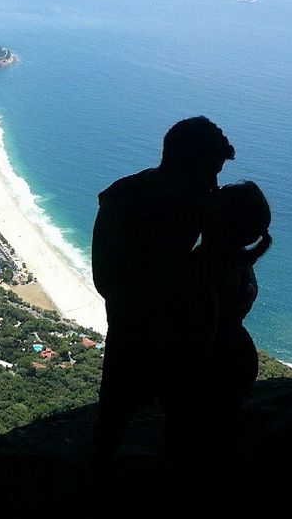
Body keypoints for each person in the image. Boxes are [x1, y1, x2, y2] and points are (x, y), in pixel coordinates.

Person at [91, 116, 235, 462]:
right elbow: (107, 280)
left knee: (127, 421)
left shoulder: (139, 198)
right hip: (139, 333)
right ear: (184, 167)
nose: (215, 185)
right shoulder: (125, 201)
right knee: (122, 421)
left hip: (148, 330)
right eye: (210, 173)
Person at [193, 181, 272, 455]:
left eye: (216, 199)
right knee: (225, 428)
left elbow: (204, 328)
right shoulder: (242, 264)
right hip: (238, 356)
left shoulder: (204, 267)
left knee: (195, 434)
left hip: (213, 361)